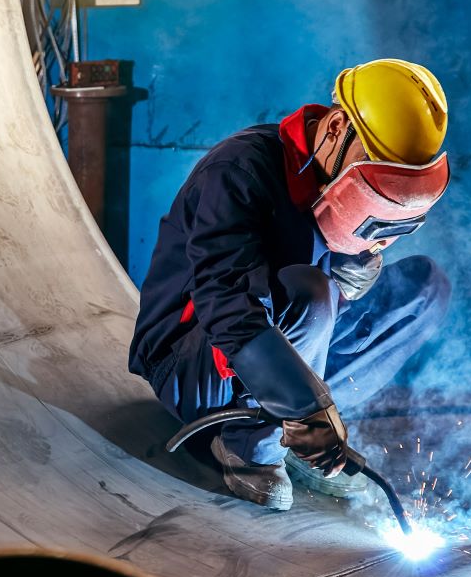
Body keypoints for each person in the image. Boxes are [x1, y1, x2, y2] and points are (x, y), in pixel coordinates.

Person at [128, 59, 453, 510]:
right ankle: (251, 447)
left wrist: (356, 265)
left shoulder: (336, 178)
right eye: (374, 175)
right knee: (310, 290)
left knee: (425, 287)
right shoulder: (239, 170)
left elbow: (336, 295)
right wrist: (305, 402)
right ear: (336, 128)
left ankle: (300, 433)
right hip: (194, 362)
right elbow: (227, 304)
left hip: (291, 344)